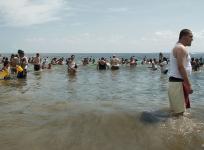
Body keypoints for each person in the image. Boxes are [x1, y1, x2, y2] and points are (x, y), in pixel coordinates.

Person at [168, 29, 193, 116]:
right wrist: (188, 85)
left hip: (177, 83)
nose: (192, 39)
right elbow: (181, 67)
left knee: (178, 111)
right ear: (184, 36)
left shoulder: (178, 47)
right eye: (191, 37)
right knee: (179, 113)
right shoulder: (180, 48)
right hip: (178, 83)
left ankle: (173, 128)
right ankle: (177, 129)